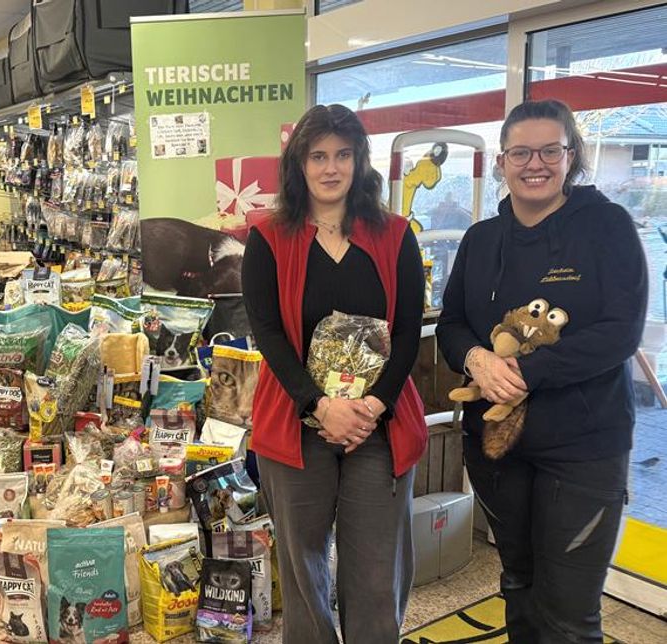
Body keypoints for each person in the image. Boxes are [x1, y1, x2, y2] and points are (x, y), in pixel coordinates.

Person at [436, 99, 648, 643]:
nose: (536, 163)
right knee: (518, 585)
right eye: (521, 152)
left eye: (549, 150)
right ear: (502, 162)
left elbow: (621, 332)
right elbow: (452, 324)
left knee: (569, 612)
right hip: (498, 447)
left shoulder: (607, 226)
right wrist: (474, 358)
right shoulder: (482, 239)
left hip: (584, 447)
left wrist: (532, 372)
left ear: (570, 155)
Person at [242, 104, 427, 643]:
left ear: (359, 160)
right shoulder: (268, 239)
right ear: (298, 164)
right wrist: (319, 405)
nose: (330, 168)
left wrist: (373, 406)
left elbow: (409, 332)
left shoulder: (395, 235)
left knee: (374, 570)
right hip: (297, 421)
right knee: (303, 570)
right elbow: (269, 335)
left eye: (342, 155)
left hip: (379, 425)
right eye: (317, 155)